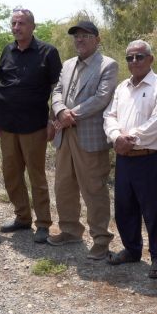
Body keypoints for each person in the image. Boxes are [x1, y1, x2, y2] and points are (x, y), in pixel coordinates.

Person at [103, 40, 157, 279]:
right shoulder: (122, 87)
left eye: (139, 56)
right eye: (130, 58)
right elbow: (109, 115)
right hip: (124, 158)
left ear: (150, 59)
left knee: (154, 210)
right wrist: (115, 137)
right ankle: (132, 250)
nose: (134, 61)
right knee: (124, 207)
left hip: (149, 158)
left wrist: (128, 139)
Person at [48, 21, 118, 260]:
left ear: (97, 39)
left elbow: (101, 98)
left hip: (89, 136)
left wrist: (71, 115)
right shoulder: (67, 64)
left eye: (85, 36)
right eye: (76, 36)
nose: (79, 40)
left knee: (94, 189)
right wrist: (59, 112)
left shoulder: (107, 65)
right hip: (64, 136)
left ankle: (101, 239)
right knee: (63, 186)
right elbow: (56, 91)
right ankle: (69, 230)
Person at [0, 8, 61, 243]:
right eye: (13, 23)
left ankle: (43, 223)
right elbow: (1, 87)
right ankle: (22, 217)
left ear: (32, 26)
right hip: (8, 124)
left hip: (34, 125)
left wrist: (53, 119)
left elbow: (57, 90)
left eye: (21, 23)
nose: (16, 27)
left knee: (36, 175)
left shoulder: (47, 52)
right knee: (11, 173)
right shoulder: (7, 50)